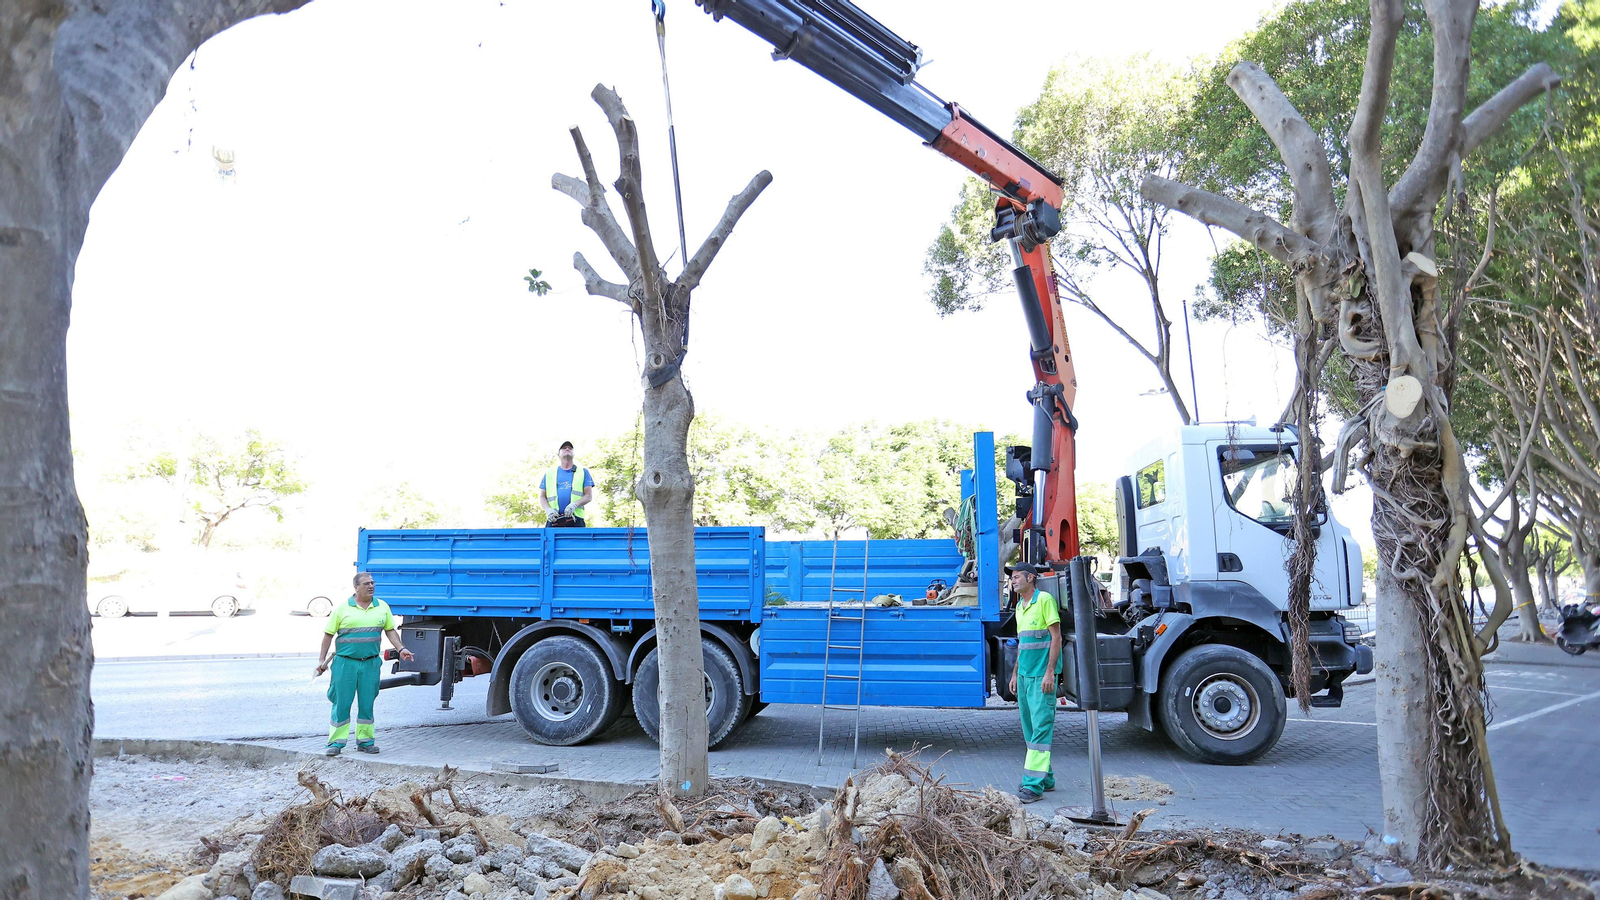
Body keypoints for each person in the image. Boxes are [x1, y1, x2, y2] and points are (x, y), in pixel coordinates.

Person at [315, 571, 412, 756]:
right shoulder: (343, 609)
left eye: (372, 583)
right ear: (356, 587)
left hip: (370, 664)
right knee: (341, 703)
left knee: (367, 703)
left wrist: (401, 649)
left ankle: (366, 741)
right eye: (366, 583)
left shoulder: (382, 607)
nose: (371, 586)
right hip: (345, 664)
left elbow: (390, 631)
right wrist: (322, 660)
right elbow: (328, 635)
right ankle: (336, 742)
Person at [1006, 562, 1062, 803]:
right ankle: (1046, 778)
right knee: (1030, 731)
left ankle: (1033, 786)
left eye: (1017, 577)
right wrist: (1014, 673)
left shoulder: (1045, 600)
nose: (1012, 581)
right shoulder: (1020, 606)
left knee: (1040, 728)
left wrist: (1050, 672)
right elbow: (1023, 644)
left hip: (1042, 677)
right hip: (1025, 676)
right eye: (1012, 578)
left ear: (1030, 578)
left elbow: (1056, 637)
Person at [539, 440, 595, 527]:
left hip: (576, 519)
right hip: (554, 519)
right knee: (549, 540)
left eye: (570, 448)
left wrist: (574, 505)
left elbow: (588, 496)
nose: (567, 449)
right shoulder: (549, 473)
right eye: (564, 448)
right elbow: (542, 496)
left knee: (578, 541)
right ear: (559, 455)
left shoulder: (583, 472)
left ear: (574, 454)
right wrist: (548, 510)